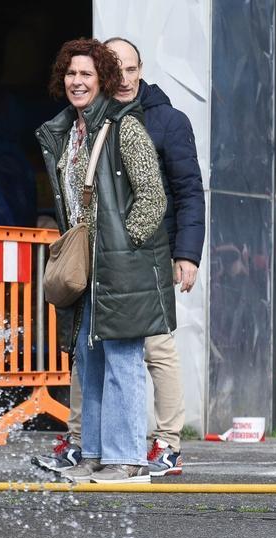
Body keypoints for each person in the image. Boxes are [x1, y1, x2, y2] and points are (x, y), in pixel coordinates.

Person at [34, 38, 206, 478]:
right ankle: (91, 452)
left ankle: (128, 456)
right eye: (71, 74)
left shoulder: (125, 126)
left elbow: (156, 197)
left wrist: (125, 245)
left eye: (87, 75)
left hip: (125, 262)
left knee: (130, 360)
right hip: (90, 266)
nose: (77, 81)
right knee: (90, 360)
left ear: (104, 80)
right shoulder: (69, 132)